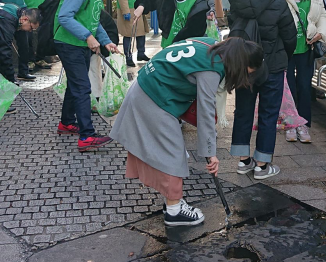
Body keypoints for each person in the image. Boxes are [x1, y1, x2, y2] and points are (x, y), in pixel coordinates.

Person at [111, 37, 264, 226]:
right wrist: (211, 153)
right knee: (173, 153)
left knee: (172, 150)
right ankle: (175, 211)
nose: (245, 78)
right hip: (154, 97)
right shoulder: (212, 69)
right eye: (248, 73)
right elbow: (206, 111)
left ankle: (172, 201)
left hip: (148, 87)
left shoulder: (213, 46)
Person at [228, 0, 297, 180]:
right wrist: (282, 57)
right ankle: (261, 165)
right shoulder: (277, 0)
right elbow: (290, 36)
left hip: (244, 64)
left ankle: (242, 160)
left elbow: (233, 27)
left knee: (243, 111)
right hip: (272, 66)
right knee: (268, 114)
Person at [54, 0, 123, 152]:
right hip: (69, 43)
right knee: (83, 87)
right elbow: (64, 17)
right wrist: (87, 37)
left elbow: (94, 20)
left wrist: (105, 40)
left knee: (76, 85)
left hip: (78, 43)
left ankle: (67, 123)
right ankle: (86, 136)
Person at [278, 0, 326, 143]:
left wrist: (320, 34)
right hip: (287, 49)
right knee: (289, 88)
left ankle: (304, 125)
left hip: (307, 48)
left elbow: (322, 15)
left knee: (304, 86)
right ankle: (291, 124)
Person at [0, 2, 41, 84]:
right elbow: (5, 50)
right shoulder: (7, 21)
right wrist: (11, 79)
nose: (30, 31)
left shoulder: (14, 9)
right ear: (25, 19)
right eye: (31, 28)